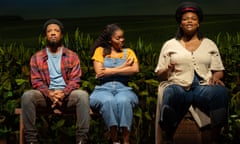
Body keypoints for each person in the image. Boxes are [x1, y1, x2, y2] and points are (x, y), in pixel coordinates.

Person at [154, 2, 228, 144]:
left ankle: (214, 139)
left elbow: (219, 70)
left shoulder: (209, 44)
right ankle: (169, 136)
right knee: (170, 93)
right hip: (178, 85)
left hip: (203, 87)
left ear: (198, 23)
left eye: (193, 18)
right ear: (180, 23)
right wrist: (168, 70)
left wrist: (216, 77)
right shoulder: (170, 45)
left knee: (221, 92)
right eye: (185, 19)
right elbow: (160, 74)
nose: (189, 21)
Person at [21, 19, 90, 144]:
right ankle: (31, 140)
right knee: (28, 96)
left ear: (61, 35)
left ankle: (81, 140)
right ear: (45, 35)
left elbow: (75, 80)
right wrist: (50, 94)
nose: (53, 33)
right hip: (46, 96)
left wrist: (63, 93)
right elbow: (36, 81)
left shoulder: (72, 56)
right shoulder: (36, 57)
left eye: (56, 31)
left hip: (67, 95)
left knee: (83, 95)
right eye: (49, 31)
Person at [89, 23, 139, 144]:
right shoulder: (100, 51)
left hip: (124, 89)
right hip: (103, 90)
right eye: (118, 38)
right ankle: (115, 140)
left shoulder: (129, 52)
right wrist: (124, 67)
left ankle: (126, 141)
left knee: (124, 101)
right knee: (108, 101)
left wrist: (110, 71)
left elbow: (135, 70)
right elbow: (99, 73)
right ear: (110, 40)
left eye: (122, 37)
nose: (122, 40)